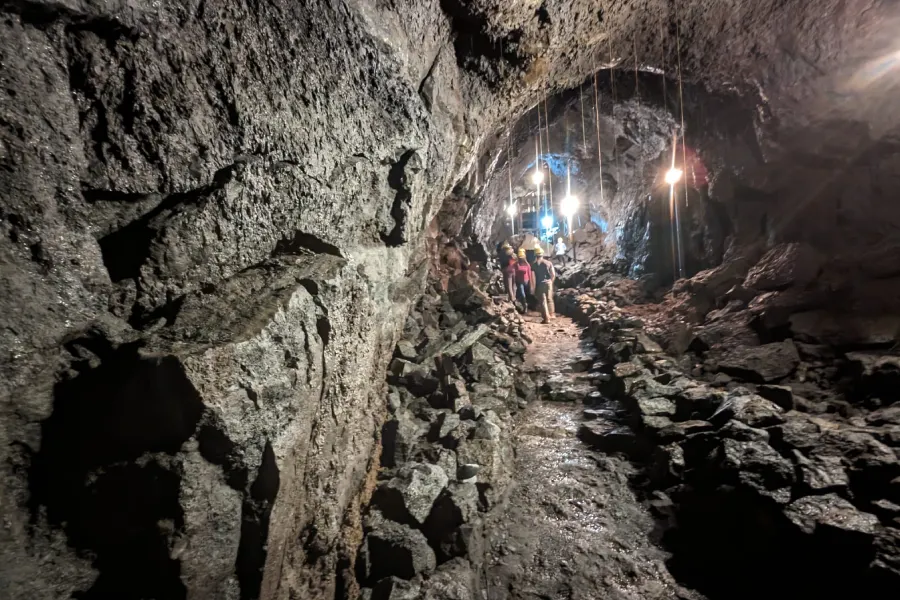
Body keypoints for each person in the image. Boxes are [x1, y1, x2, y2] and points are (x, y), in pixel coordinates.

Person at [532, 246, 556, 323]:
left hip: (540, 284)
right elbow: (553, 274)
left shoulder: (534, 265)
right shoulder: (548, 263)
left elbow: (533, 278)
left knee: (543, 301)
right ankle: (552, 314)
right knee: (550, 299)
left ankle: (546, 318)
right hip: (548, 283)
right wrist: (551, 281)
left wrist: (533, 288)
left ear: (535, 255)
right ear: (542, 254)